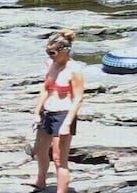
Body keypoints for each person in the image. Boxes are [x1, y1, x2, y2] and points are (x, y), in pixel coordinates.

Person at [30, 29, 86, 193]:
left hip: (63, 114)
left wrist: (67, 124)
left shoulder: (74, 70)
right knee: (40, 151)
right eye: (47, 51)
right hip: (47, 112)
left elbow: (78, 98)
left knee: (59, 158)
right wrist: (36, 113)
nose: (50, 55)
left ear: (64, 50)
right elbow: (45, 89)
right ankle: (41, 181)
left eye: (53, 52)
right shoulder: (50, 64)